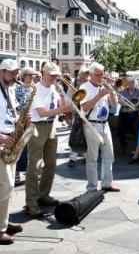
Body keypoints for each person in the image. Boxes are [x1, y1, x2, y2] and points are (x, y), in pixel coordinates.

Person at [25, 62, 74, 218]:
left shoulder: (53, 87)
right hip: (37, 127)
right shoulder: (36, 89)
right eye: (52, 75)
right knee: (34, 166)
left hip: (51, 126)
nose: (54, 77)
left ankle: (44, 195)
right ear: (43, 74)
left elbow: (59, 107)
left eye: (56, 75)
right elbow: (41, 113)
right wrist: (62, 110)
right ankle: (32, 203)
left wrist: (61, 97)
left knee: (51, 163)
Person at [80, 63, 119, 192]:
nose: (101, 77)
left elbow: (113, 103)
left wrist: (112, 91)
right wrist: (100, 95)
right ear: (90, 74)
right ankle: (91, 187)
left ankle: (107, 183)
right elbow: (85, 107)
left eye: (102, 74)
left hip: (104, 124)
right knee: (92, 158)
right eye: (98, 74)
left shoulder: (104, 86)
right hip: (92, 124)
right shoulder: (84, 88)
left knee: (109, 156)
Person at [0, 59, 25, 244]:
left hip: (12, 139)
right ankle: (0, 230)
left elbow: (10, 113)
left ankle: (4, 222)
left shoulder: (9, 89)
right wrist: (2, 138)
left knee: (7, 188)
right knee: (6, 185)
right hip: (3, 140)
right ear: (2, 72)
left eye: (17, 72)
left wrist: (21, 118)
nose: (16, 76)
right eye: (12, 72)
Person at [14, 67, 35, 185]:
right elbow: (12, 107)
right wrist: (20, 116)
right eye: (29, 75)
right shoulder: (18, 89)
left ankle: (30, 171)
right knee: (20, 146)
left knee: (32, 148)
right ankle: (16, 173)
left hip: (33, 121)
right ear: (23, 76)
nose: (32, 77)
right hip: (21, 121)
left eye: (33, 75)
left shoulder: (35, 88)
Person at [68, 65, 90, 167]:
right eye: (85, 73)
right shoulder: (74, 83)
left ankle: (86, 156)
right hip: (77, 111)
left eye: (87, 73)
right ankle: (72, 158)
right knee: (75, 134)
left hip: (88, 112)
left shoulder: (90, 83)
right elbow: (69, 97)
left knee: (86, 135)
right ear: (80, 74)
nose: (87, 75)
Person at [117, 77, 139, 154]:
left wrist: (133, 107)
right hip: (124, 111)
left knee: (136, 126)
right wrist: (128, 106)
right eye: (130, 82)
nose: (131, 84)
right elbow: (121, 101)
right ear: (127, 84)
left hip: (134, 111)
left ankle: (137, 148)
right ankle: (123, 144)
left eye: (133, 82)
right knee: (119, 126)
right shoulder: (124, 91)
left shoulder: (138, 91)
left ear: (135, 83)